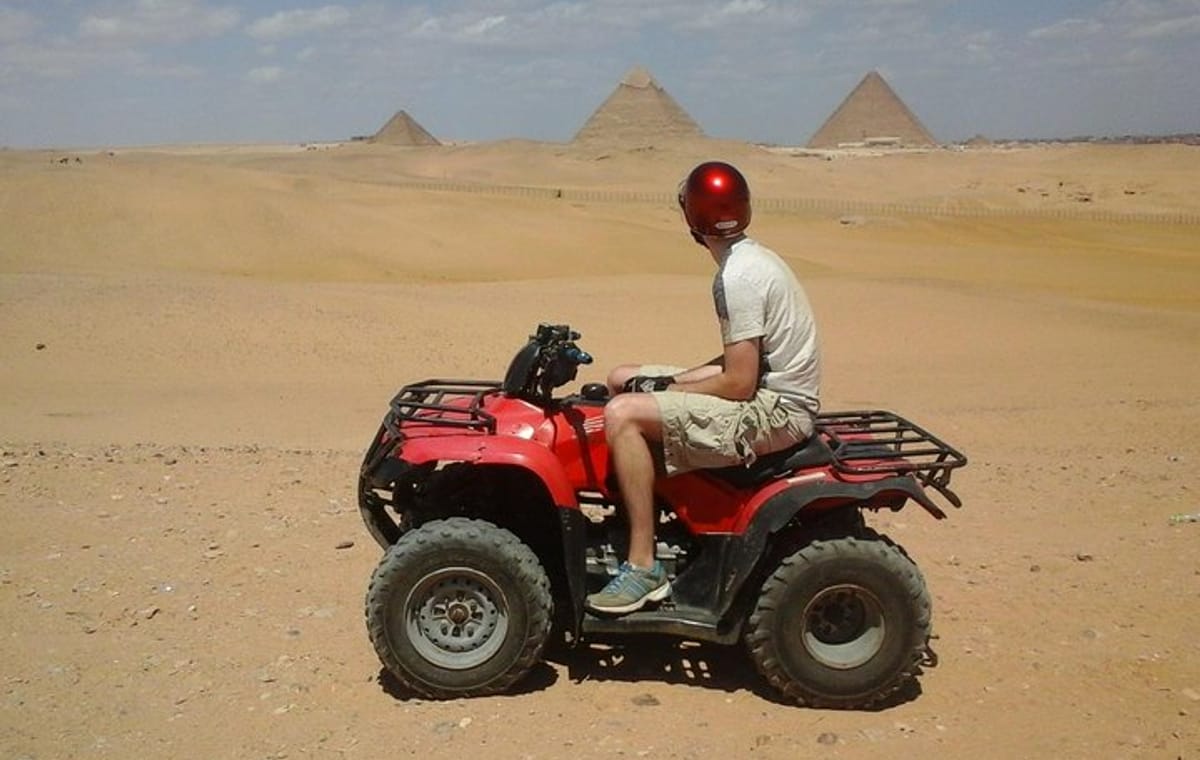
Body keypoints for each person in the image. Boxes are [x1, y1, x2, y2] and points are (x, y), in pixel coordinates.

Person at [585, 160, 822, 615]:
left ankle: (642, 566)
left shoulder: (736, 278)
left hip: (776, 410)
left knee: (622, 414)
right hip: (768, 390)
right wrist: (667, 383)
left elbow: (738, 382)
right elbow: (745, 358)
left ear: (695, 218)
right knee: (621, 378)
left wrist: (661, 394)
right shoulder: (756, 258)